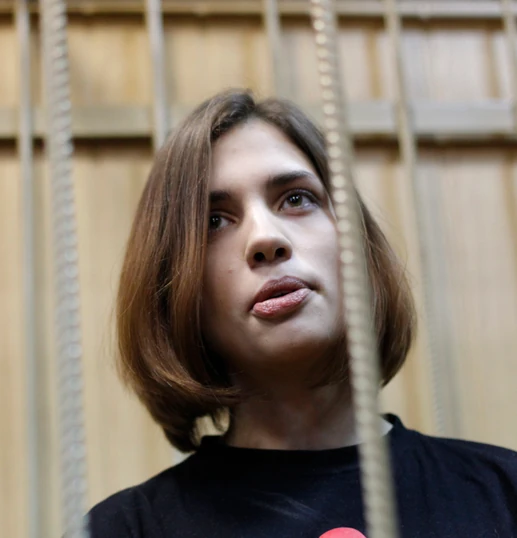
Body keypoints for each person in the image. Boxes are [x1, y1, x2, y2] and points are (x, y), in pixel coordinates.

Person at [86, 88, 517, 537]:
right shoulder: (122, 530)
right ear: (172, 289)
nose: (265, 238)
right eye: (214, 221)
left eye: (296, 199)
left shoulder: (504, 494)